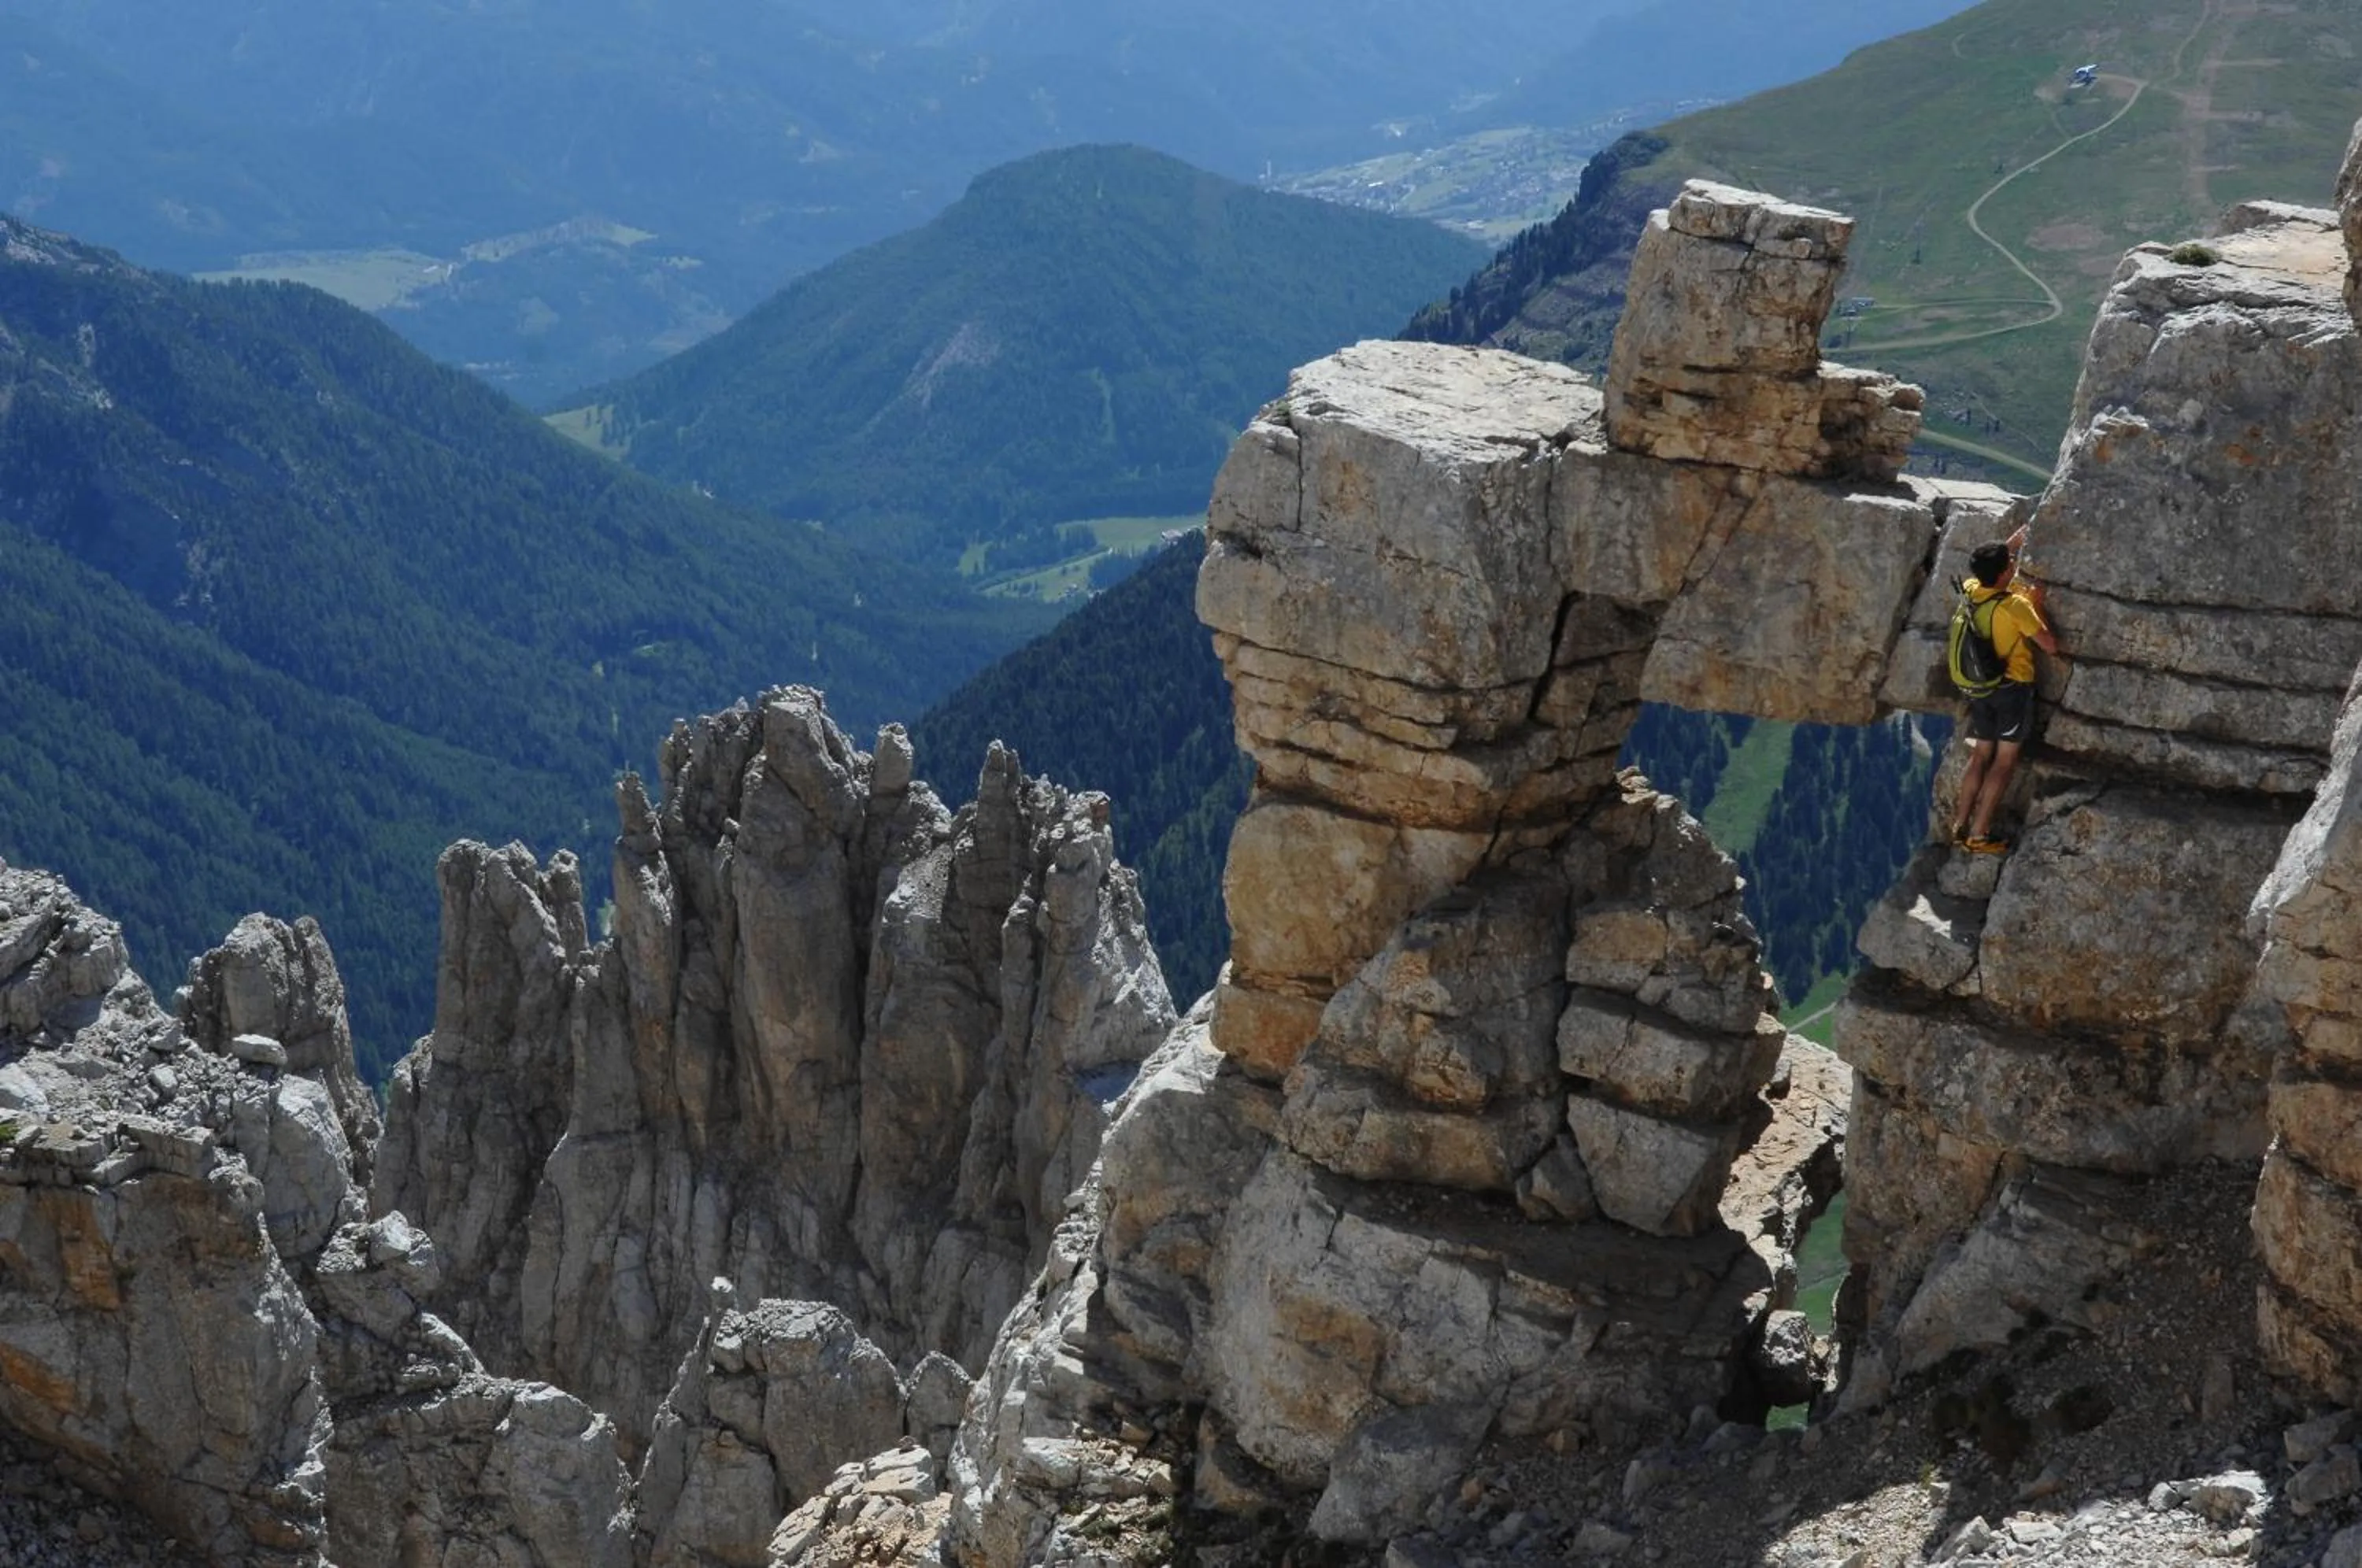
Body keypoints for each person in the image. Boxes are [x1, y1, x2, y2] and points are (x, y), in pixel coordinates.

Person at [1948, 525, 2064, 853]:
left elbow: (1990, 567)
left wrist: (2010, 544)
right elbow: (2050, 646)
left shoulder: (1970, 589)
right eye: (2010, 562)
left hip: (1978, 689)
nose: (2014, 565)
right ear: (2003, 573)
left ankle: (1959, 826)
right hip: (2011, 690)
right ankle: (1979, 835)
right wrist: (2037, 604)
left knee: (1980, 754)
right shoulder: (2015, 605)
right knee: (2004, 761)